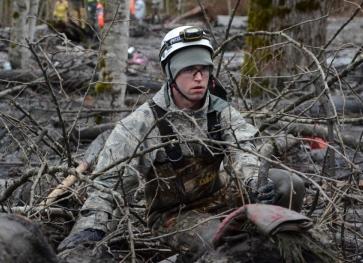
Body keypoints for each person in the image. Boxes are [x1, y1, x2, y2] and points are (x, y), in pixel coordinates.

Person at [57, 26, 306, 261]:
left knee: (289, 184)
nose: (199, 78)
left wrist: (255, 183)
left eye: (204, 70)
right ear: (171, 74)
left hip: (219, 195)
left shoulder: (221, 111)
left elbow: (244, 152)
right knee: (222, 242)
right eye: (189, 70)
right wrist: (88, 230)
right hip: (173, 215)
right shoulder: (141, 123)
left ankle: (267, 248)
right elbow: (108, 184)